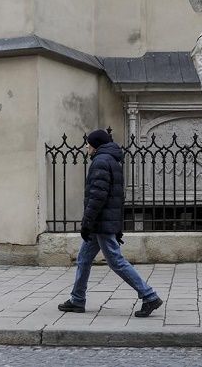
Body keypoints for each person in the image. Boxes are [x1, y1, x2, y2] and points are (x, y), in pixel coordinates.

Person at [58, 129, 163, 317]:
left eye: (88, 143)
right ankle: (77, 299)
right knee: (83, 259)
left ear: (96, 145)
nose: (86, 146)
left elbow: (97, 196)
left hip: (100, 223)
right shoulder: (112, 161)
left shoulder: (100, 162)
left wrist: (87, 222)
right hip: (104, 221)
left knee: (116, 261)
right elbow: (116, 197)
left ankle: (149, 296)